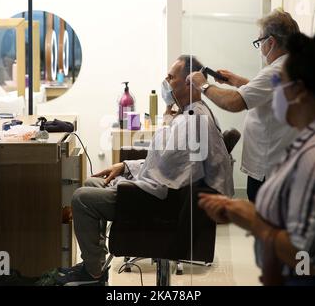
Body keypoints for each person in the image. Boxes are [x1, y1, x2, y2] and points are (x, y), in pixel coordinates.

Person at [199, 30, 315, 286]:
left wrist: (255, 222)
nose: (273, 93)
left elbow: (311, 259)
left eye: (277, 85)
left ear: (300, 92)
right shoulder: (308, 141)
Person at [65, 55, 234, 285]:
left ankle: (93, 271)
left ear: (189, 83)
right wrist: (124, 166)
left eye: (171, 77)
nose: (166, 81)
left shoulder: (193, 121)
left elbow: (164, 173)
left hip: (160, 203)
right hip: (162, 192)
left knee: (82, 198)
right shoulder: (190, 114)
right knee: (93, 183)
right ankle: (94, 264)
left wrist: (128, 178)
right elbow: (165, 161)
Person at [188, 9, 300, 203]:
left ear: (271, 42)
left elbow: (234, 103)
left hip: (269, 171)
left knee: (265, 227)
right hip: (283, 167)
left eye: (260, 42)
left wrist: (203, 85)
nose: (260, 47)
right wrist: (239, 82)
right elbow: (271, 94)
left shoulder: (276, 70)